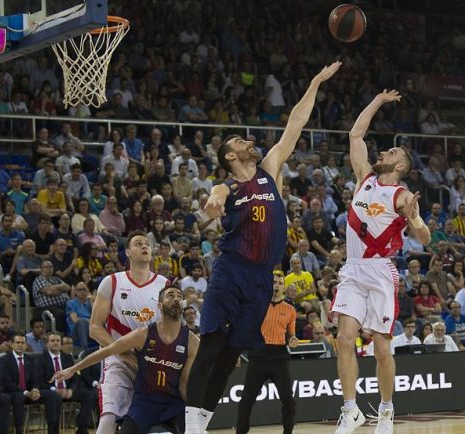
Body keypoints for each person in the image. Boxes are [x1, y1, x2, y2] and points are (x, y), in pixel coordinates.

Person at [184, 62, 340, 434]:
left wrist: (315, 81)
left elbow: (295, 125)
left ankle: (201, 424)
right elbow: (219, 191)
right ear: (230, 158)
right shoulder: (229, 187)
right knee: (211, 347)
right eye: (239, 142)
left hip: (260, 278)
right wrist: (215, 196)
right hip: (233, 269)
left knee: (230, 356)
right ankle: (190, 427)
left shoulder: (270, 169)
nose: (247, 141)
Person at [331, 90, 431, 434]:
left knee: (381, 347)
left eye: (390, 151)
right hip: (352, 269)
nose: (382, 152)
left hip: (380, 272)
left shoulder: (401, 195)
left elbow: (425, 240)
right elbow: (355, 134)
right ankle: (350, 409)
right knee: (344, 339)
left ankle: (386, 411)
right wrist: (377, 101)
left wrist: (415, 219)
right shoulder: (364, 178)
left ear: (400, 166)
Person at [52, 285, 198, 434]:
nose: (176, 299)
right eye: (171, 295)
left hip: (173, 405)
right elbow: (107, 351)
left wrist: (197, 412)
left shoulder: (192, 342)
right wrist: (74, 368)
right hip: (144, 403)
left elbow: (184, 384)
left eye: (180, 296)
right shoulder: (143, 334)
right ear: (160, 306)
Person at [89, 231, 169, 434]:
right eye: (138, 244)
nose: (144, 246)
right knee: (109, 414)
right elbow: (95, 328)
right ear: (128, 253)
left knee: (151, 420)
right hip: (117, 360)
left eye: (147, 244)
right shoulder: (112, 281)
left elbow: (171, 329)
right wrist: (124, 353)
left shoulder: (164, 285)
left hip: (152, 361)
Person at [236, 272, 299, 434]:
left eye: (280, 283)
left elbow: (291, 334)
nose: (276, 285)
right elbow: (245, 330)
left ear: (284, 287)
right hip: (258, 355)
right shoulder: (256, 305)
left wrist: (292, 339)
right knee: (246, 401)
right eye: (274, 282)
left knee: (288, 400)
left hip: (279, 356)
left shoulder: (290, 310)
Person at [0, 334, 63, 434]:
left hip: (30, 392)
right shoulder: (4, 360)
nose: (20, 345)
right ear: (12, 345)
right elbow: (6, 383)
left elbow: (35, 379)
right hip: (13, 392)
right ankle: (19, 429)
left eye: (22, 343)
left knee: (52, 395)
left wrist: (35, 389)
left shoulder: (31, 359)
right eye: (17, 342)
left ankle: (53, 429)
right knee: (19, 397)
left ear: (25, 345)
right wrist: (26, 392)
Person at [38, 331, 97, 434]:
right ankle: (53, 430)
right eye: (52, 341)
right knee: (53, 397)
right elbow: (39, 380)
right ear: (47, 343)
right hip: (50, 390)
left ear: (61, 343)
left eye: (58, 341)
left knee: (88, 394)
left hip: (67, 390)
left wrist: (71, 389)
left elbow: (75, 378)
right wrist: (55, 389)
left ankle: (82, 427)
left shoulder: (67, 357)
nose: (55, 343)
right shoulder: (40, 358)